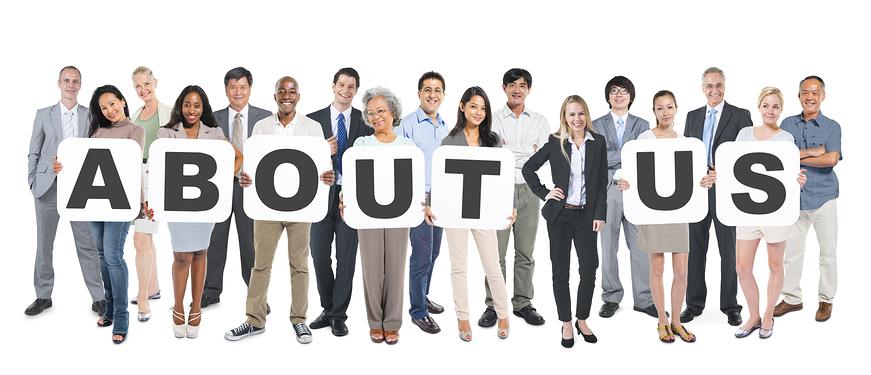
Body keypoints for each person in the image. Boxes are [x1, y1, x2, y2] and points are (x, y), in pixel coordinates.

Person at [224, 76, 334, 344]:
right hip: (266, 207)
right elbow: (252, 166)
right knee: (260, 265)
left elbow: (321, 166)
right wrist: (245, 178)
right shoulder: (261, 126)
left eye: (292, 91)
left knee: (299, 265)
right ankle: (254, 320)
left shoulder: (312, 127)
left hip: (300, 208)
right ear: (275, 96)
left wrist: (326, 177)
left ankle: (299, 320)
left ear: (298, 96)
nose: (287, 95)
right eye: (281, 91)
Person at [615, 90, 709, 344]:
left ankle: (676, 321)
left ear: (676, 109)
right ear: (653, 111)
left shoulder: (686, 141)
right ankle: (661, 321)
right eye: (659, 108)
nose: (665, 112)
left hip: (679, 211)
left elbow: (695, 177)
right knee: (657, 268)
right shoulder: (644, 138)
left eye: (669, 107)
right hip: (652, 211)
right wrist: (623, 181)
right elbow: (629, 170)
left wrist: (706, 180)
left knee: (681, 271)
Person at [54, 85, 145, 344]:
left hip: (120, 201)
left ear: (123, 101)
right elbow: (84, 164)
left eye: (112, 104)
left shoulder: (135, 131)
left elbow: (129, 165)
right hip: (94, 201)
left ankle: (122, 316)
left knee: (114, 256)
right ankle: (109, 306)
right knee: (102, 255)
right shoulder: (96, 131)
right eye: (103, 108)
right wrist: (63, 164)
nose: (109, 111)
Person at [158, 85, 243, 339]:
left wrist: (220, 182)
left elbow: (238, 157)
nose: (191, 110)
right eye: (187, 105)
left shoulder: (214, 133)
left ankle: (196, 306)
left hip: (205, 205)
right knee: (181, 254)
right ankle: (179, 305)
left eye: (197, 105)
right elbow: (157, 164)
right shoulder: (167, 132)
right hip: (178, 204)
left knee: (199, 253)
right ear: (180, 106)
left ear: (203, 107)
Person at [522, 95, 607, 348]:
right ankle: (566, 323)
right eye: (571, 114)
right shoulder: (555, 141)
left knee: (589, 268)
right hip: (560, 216)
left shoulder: (598, 142)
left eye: (580, 113)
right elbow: (528, 168)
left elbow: (601, 181)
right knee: (561, 272)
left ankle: (582, 319)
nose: (577, 119)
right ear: (564, 117)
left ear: (586, 115)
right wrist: (545, 192)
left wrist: (599, 213)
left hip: (586, 216)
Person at [26, 66, 106, 317]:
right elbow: (34, 151)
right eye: (67, 81)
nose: (71, 85)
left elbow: (97, 151)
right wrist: (33, 181)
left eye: (75, 81)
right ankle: (43, 295)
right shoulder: (43, 114)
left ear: (80, 85)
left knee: (87, 244)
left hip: (80, 189)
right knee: (44, 245)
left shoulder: (90, 115)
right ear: (59, 83)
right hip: (48, 187)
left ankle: (99, 297)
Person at [435, 86, 512, 342]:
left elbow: (503, 179)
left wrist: (507, 207)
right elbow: (441, 180)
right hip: (456, 210)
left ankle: (503, 313)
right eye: (473, 106)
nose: (479, 112)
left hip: (484, 211)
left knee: (492, 265)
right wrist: (432, 204)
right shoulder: (449, 141)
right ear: (462, 107)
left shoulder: (493, 140)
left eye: (483, 108)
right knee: (458, 266)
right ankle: (463, 317)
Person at [734, 87, 808, 339]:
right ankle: (753, 315)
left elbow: (788, 172)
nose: (770, 110)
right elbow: (734, 167)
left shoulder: (786, 138)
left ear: (780, 110)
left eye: (775, 106)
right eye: (766, 105)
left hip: (776, 211)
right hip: (747, 211)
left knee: (775, 264)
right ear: (759, 106)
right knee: (743, 267)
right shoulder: (745, 134)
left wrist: (797, 179)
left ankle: (768, 315)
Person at [681, 67, 751, 326]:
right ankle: (694, 304)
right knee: (695, 249)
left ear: (725, 86)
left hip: (726, 190)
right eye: (709, 86)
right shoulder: (692, 116)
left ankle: (730, 306)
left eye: (719, 85)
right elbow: (687, 152)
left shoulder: (740, 115)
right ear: (702, 88)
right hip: (698, 190)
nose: (714, 90)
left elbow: (746, 154)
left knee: (728, 251)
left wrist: (722, 171)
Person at [344, 87, 414, 345]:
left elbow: (415, 181)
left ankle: (393, 323)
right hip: (367, 213)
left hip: (399, 214)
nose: (375, 117)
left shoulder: (407, 145)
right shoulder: (362, 144)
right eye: (370, 113)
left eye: (381, 111)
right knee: (371, 268)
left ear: (393, 112)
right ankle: (375, 322)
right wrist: (345, 201)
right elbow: (351, 180)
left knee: (396, 267)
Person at [307, 67, 371, 337]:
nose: (346, 91)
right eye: (342, 85)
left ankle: (338, 315)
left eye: (351, 86)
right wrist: (323, 150)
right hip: (321, 195)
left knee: (346, 258)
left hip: (352, 197)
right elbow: (301, 161)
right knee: (320, 255)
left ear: (356, 90)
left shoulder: (364, 120)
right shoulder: (312, 121)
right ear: (333, 86)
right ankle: (327, 306)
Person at [483, 68, 549, 327]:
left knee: (525, 252)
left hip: (530, 190)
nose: (517, 89)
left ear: (528, 89)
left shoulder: (540, 121)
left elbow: (542, 155)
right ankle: (493, 305)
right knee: (495, 253)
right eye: (512, 85)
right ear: (504, 88)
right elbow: (494, 152)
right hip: (499, 189)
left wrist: (509, 150)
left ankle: (523, 303)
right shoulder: (494, 118)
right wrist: (525, 151)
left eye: (522, 85)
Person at [202, 67, 271, 308]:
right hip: (218, 188)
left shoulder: (266, 117)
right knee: (214, 240)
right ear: (226, 90)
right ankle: (210, 291)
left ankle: (257, 295)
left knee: (251, 244)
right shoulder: (212, 117)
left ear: (250, 89)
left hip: (250, 188)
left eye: (242, 87)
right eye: (233, 87)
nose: (238, 92)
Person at [775, 75, 842, 322]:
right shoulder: (787, 124)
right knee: (791, 252)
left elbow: (831, 159)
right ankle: (792, 299)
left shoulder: (832, 127)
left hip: (824, 197)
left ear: (822, 95)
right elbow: (778, 156)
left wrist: (795, 156)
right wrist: (813, 152)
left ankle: (826, 300)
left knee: (828, 253)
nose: (809, 97)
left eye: (814, 92)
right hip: (793, 199)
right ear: (799, 95)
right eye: (805, 92)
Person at [591, 76, 655, 318]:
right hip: (607, 190)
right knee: (608, 245)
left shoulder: (642, 124)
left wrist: (613, 154)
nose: (619, 95)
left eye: (624, 91)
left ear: (631, 96)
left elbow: (643, 156)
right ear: (608, 96)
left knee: (640, 246)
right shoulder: (596, 124)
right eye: (614, 91)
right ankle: (611, 296)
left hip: (635, 189)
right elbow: (596, 159)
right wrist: (627, 151)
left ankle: (644, 298)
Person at [397, 71, 449, 334]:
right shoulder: (407, 124)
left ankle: (423, 296)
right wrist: (420, 200)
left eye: (437, 90)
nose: (432, 94)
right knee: (421, 257)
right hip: (419, 198)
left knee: (434, 253)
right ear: (419, 93)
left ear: (443, 95)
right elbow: (400, 165)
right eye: (427, 89)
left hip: (442, 198)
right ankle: (418, 311)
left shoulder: (445, 126)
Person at [129, 66, 171, 321]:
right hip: (136, 180)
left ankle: (143, 298)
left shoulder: (168, 112)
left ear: (155, 82)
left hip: (157, 179)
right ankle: (153, 287)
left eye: (147, 83)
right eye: (137, 86)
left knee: (140, 240)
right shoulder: (134, 115)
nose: (143, 89)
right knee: (148, 238)